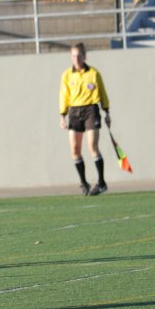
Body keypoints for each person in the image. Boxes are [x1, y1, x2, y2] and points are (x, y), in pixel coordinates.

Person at [59, 42, 111, 196]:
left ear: (84, 56)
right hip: (74, 112)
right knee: (75, 150)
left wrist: (107, 112)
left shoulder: (94, 73)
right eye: (74, 56)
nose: (76, 59)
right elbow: (63, 96)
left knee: (92, 147)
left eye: (79, 56)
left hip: (91, 110)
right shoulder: (67, 75)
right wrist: (62, 115)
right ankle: (83, 182)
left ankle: (101, 183)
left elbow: (102, 93)